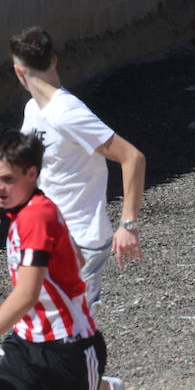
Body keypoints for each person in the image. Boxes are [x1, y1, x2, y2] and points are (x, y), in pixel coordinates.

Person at [10, 27, 146, 307]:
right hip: (48, 236)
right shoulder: (33, 110)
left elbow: (132, 157)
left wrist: (128, 225)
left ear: (18, 71)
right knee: (47, 323)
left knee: (71, 328)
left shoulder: (68, 113)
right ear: (55, 60)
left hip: (80, 240)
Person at [0, 130, 124, 390]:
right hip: (27, 342)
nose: (0, 188)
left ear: (32, 174)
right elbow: (75, 259)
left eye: (7, 179)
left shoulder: (36, 216)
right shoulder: (25, 211)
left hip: (66, 348)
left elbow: (25, 295)